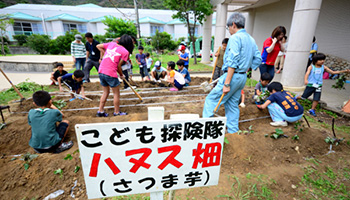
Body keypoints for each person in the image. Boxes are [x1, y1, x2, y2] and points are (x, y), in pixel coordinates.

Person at [202, 12, 262, 134]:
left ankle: (206, 131)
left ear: (233, 24)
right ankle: (233, 131)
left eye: (228, 27)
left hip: (232, 76)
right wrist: (247, 67)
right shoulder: (251, 39)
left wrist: (227, 83)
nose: (229, 30)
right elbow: (258, 59)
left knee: (211, 100)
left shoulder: (235, 38)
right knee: (232, 104)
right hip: (242, 76)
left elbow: (232, 62)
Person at [96, 34, 134, 117]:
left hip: (101, 71)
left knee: (105, 92)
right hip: (110, 73)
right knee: (116, 94)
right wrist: (121, 74)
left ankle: (100, 111)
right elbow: (118, 66)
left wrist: (106, 53)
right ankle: (116, 112)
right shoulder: (125, 52)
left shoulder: (111, 44)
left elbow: (98, 46)